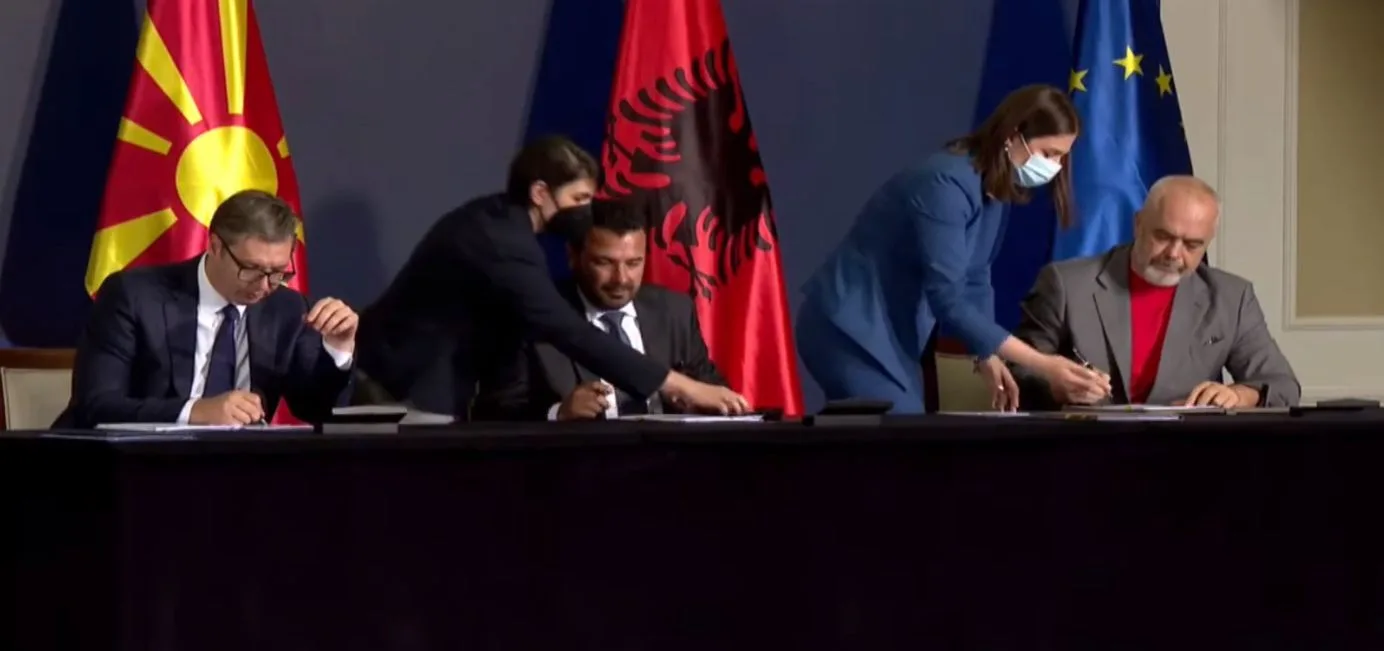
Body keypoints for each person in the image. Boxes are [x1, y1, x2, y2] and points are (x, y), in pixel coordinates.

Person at [356, 135, 747, 419]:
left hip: (425, 381)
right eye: (579, 199)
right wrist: (677, 384)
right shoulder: (502, 242)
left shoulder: (499, 222)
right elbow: (567, 329)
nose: (585, 213)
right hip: (401, 383)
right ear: (541, 193)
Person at [794, 84, 1109, 414]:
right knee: (899, 432)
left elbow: (976, 277)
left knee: (898, 431)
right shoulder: (945, 184)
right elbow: (948, 299)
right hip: (846, 329)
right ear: (1013, 135)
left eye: (1062, 157)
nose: (1055, 166)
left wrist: (986, 352)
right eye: (1048, 153)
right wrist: (1044, 364)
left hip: (884, 334)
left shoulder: (992, 186)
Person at [57, 190, 357, 428]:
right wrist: (195, 411)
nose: (265, 285)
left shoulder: (286, 307)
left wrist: (338, 350)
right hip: (133, 468)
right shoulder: (134, 296)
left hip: (237, 472)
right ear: (215, 246)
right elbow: (96, 404)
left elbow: (316, 411)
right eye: (251, 269)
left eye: (278, 272)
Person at [1012, 175, 1300, 409]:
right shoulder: (1066, 284)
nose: (1174, 254)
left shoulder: (1231, 297)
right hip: (1085, 448)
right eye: (1163, 236)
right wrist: (1056, 387)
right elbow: (1016, 372)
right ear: (1138, 224)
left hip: (1185, 452)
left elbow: (1283, 386)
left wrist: (1239, 395)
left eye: (1192, 245)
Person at [473, 199, 727, 420]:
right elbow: (493, 411)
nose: (621, 279)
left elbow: (712, 389)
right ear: (573, 256)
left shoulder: (675, 311)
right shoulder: (534, 315)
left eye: (633, 263)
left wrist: (697, 401)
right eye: (604, 262)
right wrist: (558, 412)